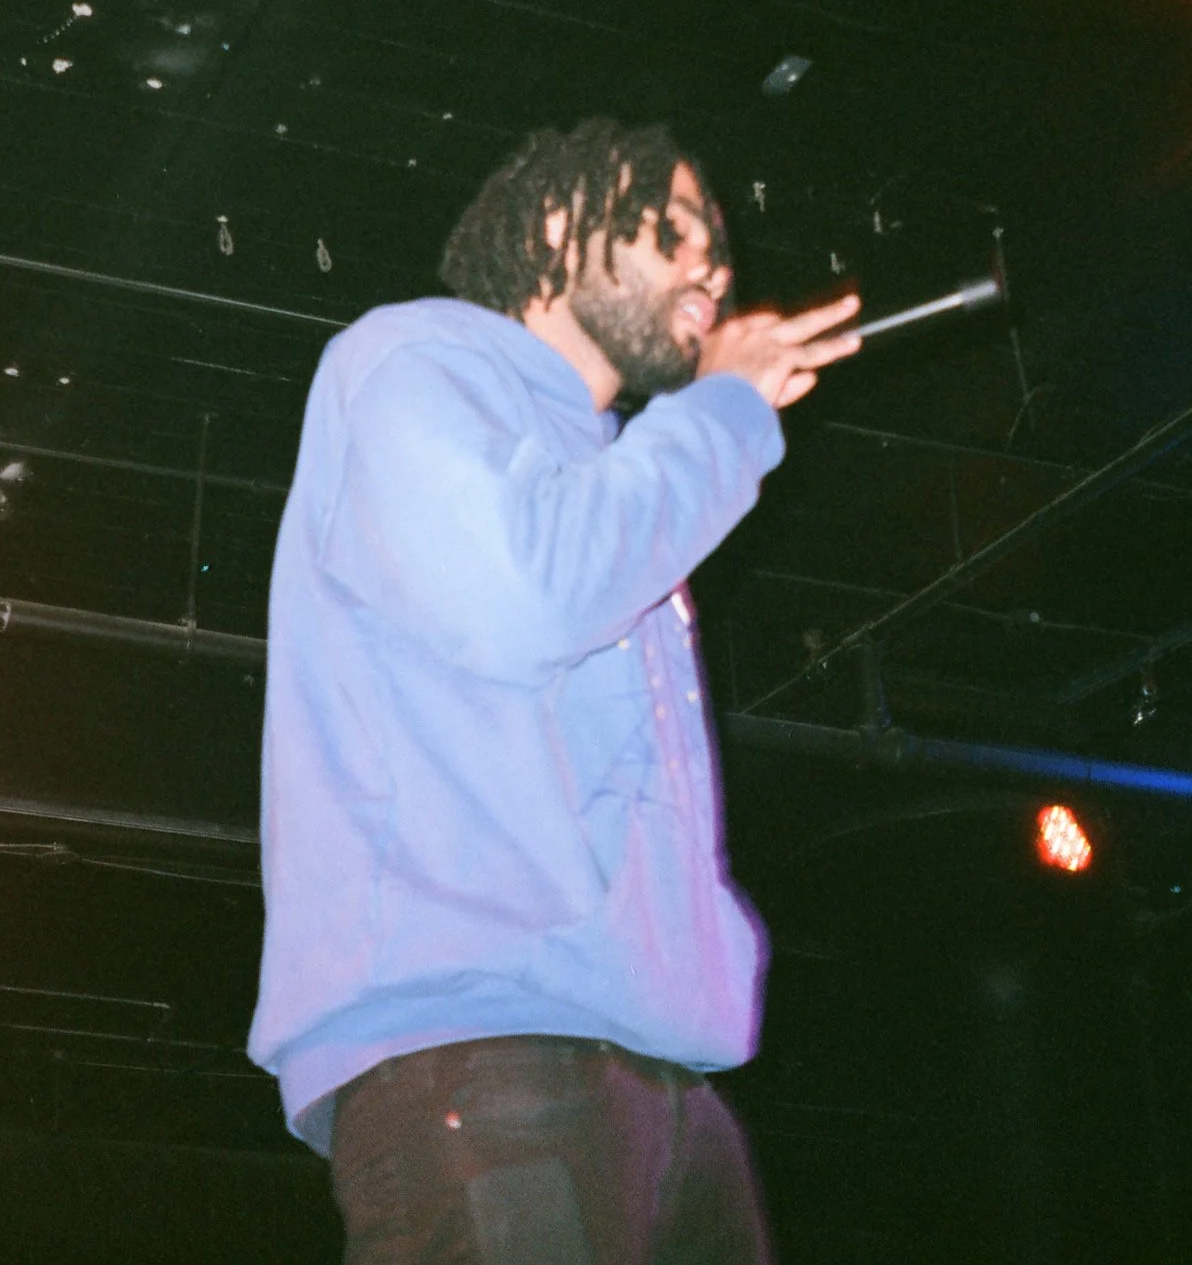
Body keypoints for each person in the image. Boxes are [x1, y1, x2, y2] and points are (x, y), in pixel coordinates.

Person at [249, 117, 860, 1264]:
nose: (712, 267)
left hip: (662, 1072)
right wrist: (723, 411)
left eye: (720, 246)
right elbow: (526, 596)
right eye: (671, 226)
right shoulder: (413, 361)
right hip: (478, 1047)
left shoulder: (630, 466)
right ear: (555, 226)